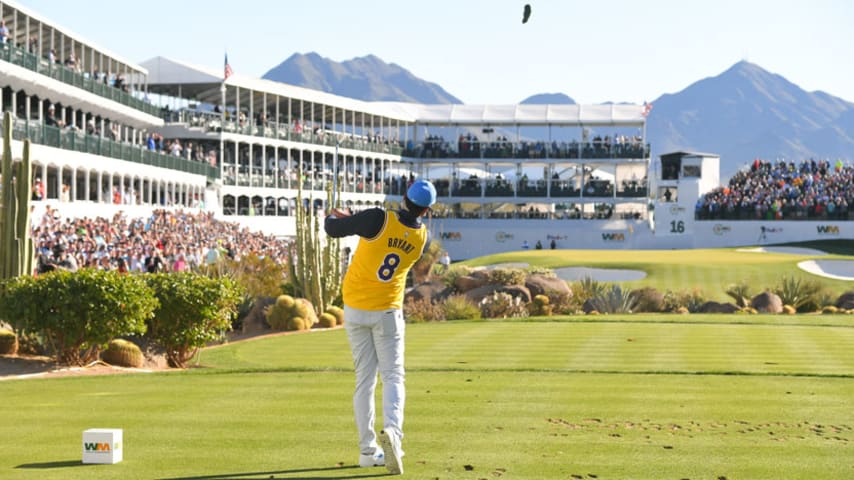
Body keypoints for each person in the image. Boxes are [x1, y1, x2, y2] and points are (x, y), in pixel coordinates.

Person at [324, 179, 437, 476]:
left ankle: (366, 451)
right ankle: (394, 440)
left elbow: (333, 230)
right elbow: (389, 235)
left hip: (356, 308)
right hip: (387, 311)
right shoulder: (420, 236)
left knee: (365, 380)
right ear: (425, 210)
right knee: (393, 377)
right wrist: (353, 220)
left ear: (403, 198)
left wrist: (335, 217)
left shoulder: (377, 217)